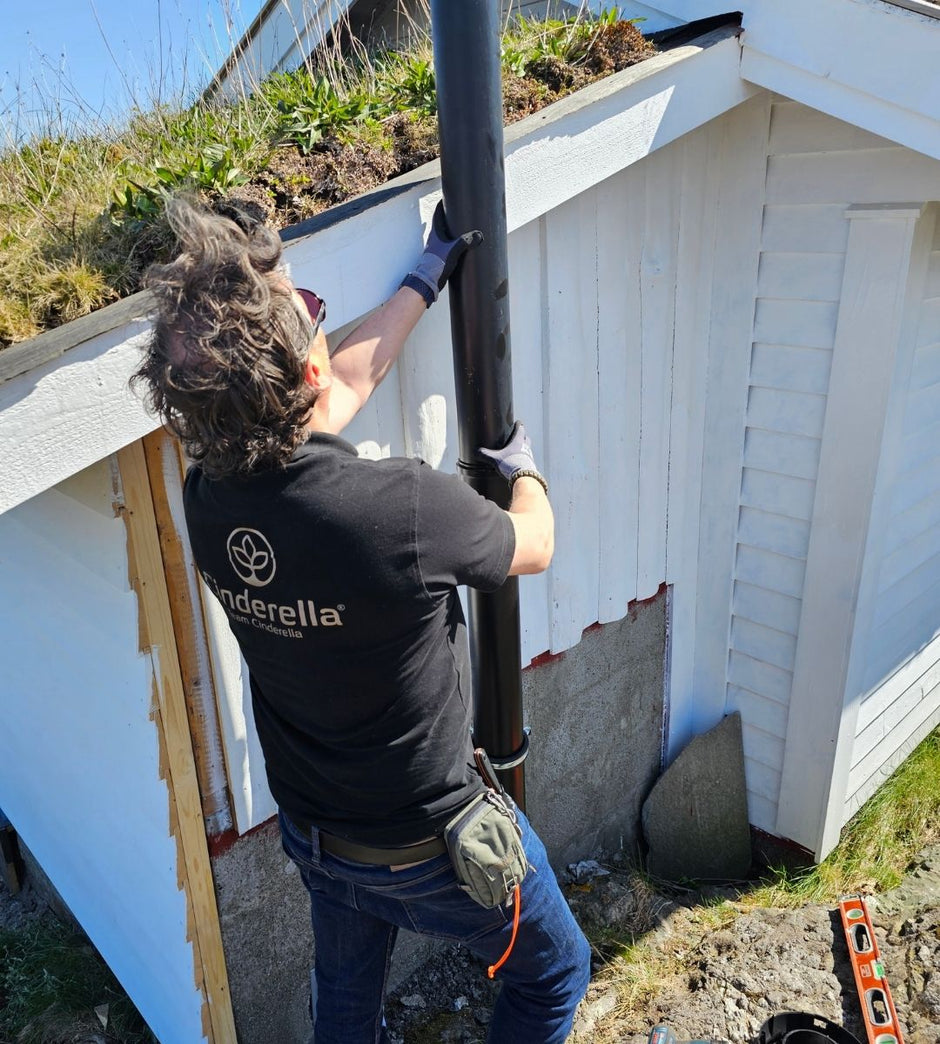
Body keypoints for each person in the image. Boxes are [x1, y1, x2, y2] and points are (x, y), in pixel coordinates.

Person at [132, 197, 591, 1044]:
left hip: (319, 834)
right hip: (436, 844)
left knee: (345, 1015)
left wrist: (424, 276)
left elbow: (343, 384)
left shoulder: (207, 500)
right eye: (313, 316)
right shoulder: (402, 508)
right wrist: (523, 469)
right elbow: (536, 544)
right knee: (557, 972)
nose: (321, 324)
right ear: (301, 375)